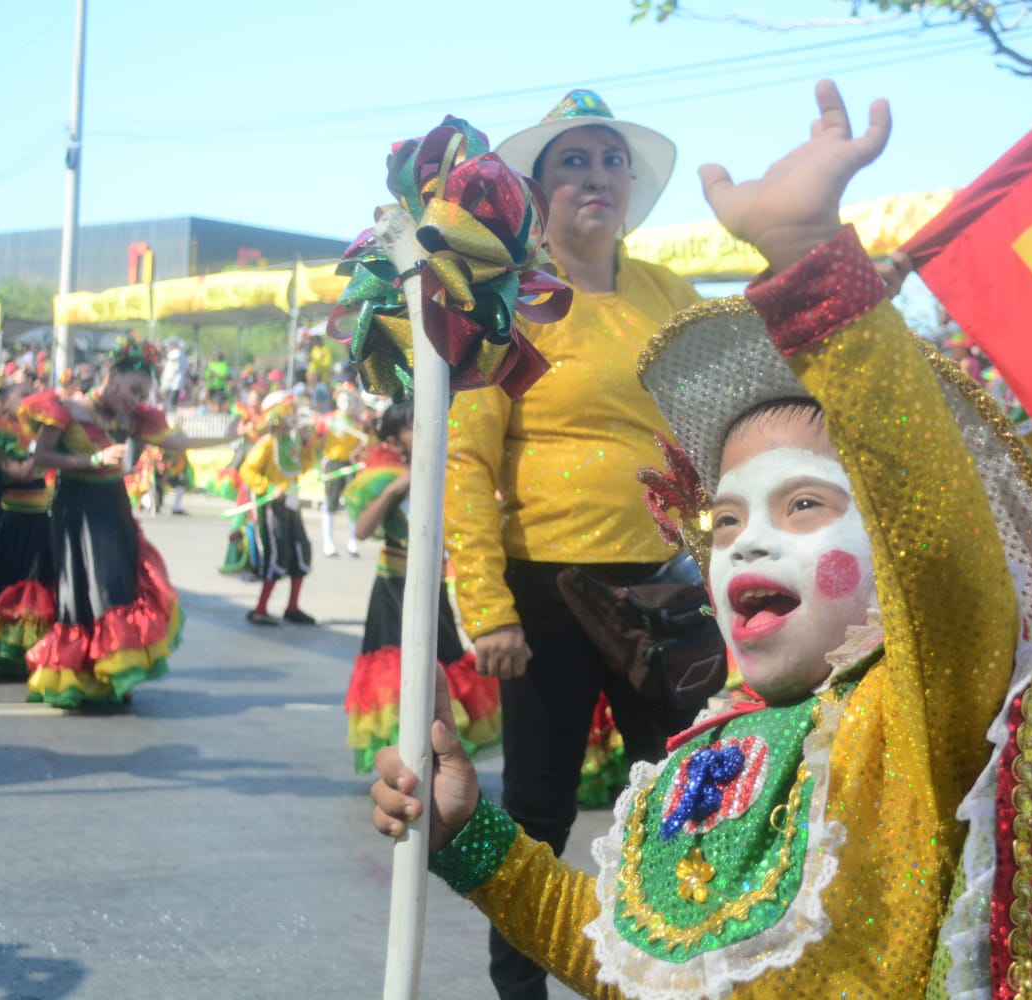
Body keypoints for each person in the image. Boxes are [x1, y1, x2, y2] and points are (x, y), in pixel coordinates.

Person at [374, 80, 1032, 998]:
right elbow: (640, 967)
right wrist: (473, 836)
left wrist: (806, 261)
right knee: (543, 800)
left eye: (802, 507)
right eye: (724, 520)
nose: (749, 543)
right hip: (547, 593)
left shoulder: (916, 709)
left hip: (648, 602)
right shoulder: (714, 747)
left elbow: (940, 545)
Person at [445, 88, 712, 998]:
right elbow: (465, 465)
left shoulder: (672, 297)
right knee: (538, 812)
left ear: (630, 184)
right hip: (546, 596)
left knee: (685, 804)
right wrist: (488, 608)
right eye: (574, 163)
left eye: (610, 162)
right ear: (539, 189)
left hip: (668, 595)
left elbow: (727, 420)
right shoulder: (506, 307)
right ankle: (520, 989)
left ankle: (671, 976)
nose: (596, 179)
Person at [19, 335, 232, 707]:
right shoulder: (66, 408)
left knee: (116, 587)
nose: (134, 401)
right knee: (80, 591)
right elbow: (41, 458)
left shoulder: (132, 419)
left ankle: (111, 672)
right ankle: (79, 675)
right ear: (112, 375)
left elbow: (177, 441)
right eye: (132, 390)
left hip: (114, 509)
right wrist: (93, 461)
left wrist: (226, 436)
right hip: (76, 510)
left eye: (141, 395)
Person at [341, 401, 501, 773]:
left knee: (441, 667)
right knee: (390, 677)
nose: (421, 432)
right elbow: (363, 530)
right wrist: (396, 488)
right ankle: (401, 758)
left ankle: (438, 753)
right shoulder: (382, 478)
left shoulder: (450, 472)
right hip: (392, 589)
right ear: (396, 438)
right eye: (411, 427)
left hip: (433, 589)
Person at [0, 374, 54, 680]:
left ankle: (28, 651)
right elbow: (19, 473)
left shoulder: (35, 432)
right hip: (9, 520)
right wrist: (46, 449)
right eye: (22, 394)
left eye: (32, 393)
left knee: (35, 584)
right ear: (1, 403)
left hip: (40, 519)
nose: (29, 398)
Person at [239, 392, 318, 626]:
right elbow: (247, 470)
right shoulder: (266, 444)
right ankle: (260, 609)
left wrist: (306, 443)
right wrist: (268, 487)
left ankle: (292, 607)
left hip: (291, 505)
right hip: (273, 507)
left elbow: (303, 466)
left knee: (302, 550)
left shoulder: (289, 443)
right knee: (277, 555)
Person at [317, 389, 367, 557]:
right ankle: (328, 542)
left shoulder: (358, 423)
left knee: (352, 502)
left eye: (350, 401)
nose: (346, 405)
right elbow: (317, 435)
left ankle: (352, 541)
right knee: (330, 501)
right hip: (333, 462)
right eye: (343, 400)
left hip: (351, 464)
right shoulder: (330, 419)